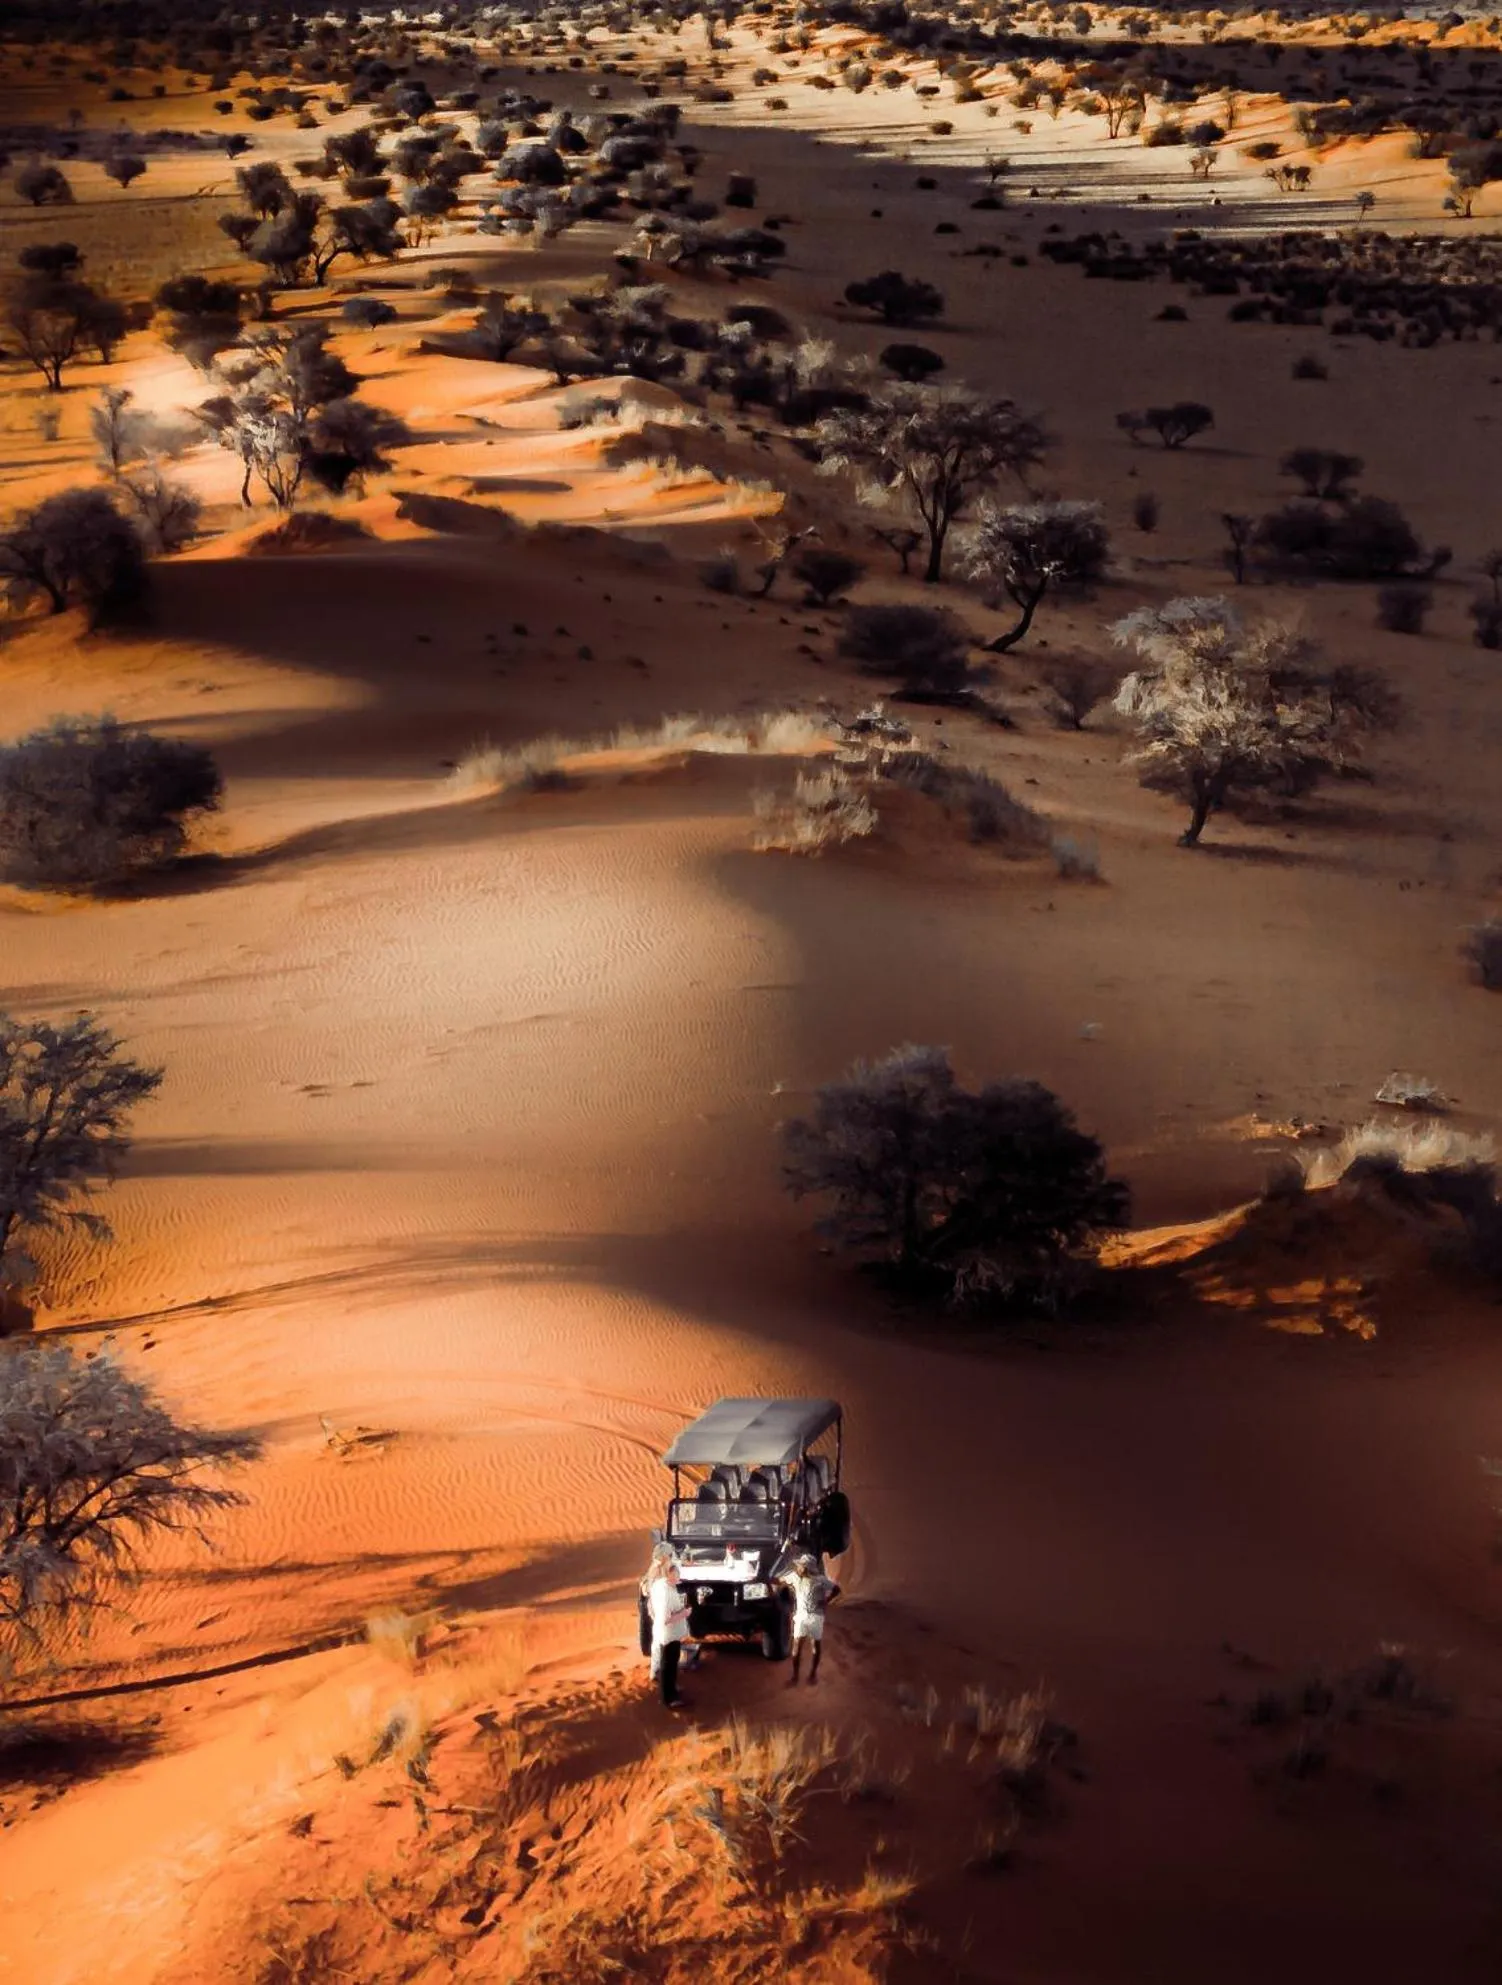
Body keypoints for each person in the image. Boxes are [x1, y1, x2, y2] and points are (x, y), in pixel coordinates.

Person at [777, 1552, 840, 1687]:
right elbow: (779, 1580)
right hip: (801, 1616)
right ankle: (795, 1676)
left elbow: (837, 1589)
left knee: (814, 1646)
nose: (798, 1567)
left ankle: (812, 1674)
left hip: (815, 1616)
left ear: (807, 1568)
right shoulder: (795, 1577)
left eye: (800, 1566)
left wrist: (826, 1601)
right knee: (797, 1646)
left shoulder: (820, 1580)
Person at [647, 1551, 691, 1709]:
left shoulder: (662, 1585)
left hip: (670, 1634)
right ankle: (668, 1697)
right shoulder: (665, 1591)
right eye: (677, 1573)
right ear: (670, 1574)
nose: (679, 1577)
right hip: (668, 1634)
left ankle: (672, 1688)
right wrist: (684, 1613)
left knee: (672, 1662)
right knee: (668, 1664)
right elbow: (666, 1618)